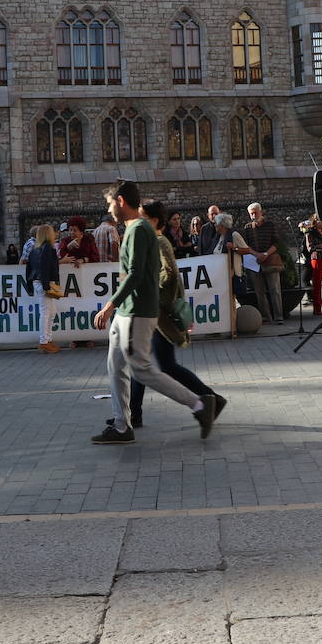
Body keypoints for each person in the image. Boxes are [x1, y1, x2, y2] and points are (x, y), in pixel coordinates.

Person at [90, 180, 217, 445]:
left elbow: (136, 274)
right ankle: (122, 425)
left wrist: (108, 305)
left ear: (121, 201)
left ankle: (200, 405)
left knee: (143, 371)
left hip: (136, 312)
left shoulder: (138, 230)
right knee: (116, 367)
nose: (109, 208)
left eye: (110, 203)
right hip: (129, 311)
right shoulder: (134, 229)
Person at [118, 200, 226, 428]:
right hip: (152, 314)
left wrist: (154, 297)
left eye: (143, 218)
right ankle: (133, 414)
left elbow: (171, 274)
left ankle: (212, 399)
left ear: (155, 221)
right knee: (142, 363)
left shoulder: (158, 242)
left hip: (158, 315)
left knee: (161, 365)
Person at [243, 203, 284, 324]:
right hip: (255, 262)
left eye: (255, 212)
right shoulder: (248, 228)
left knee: (275, 289)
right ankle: (266, 317)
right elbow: (246, 246)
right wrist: (257, 254)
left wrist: (266, 254)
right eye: (251, 213)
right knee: (259, 291)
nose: (253, 215)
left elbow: (277, 243)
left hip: (270, 260)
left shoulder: (270, 225)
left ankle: (278, 316)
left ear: (261, 212)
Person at [25, 224, 61, 353]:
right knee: (46, 313)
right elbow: (44, 267)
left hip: (39, 281)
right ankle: (44, 341)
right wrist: (47, 285)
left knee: (50, 312)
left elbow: (29, 268)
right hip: (44, 282)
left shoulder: (36, 248)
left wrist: (30, 284)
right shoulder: (48, 248)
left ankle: (47, 339)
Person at [210, 213, 252, 304]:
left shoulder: (234, 235)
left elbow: (247, 250)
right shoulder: (217, 237)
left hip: (231, 273)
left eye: (216, 223)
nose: (214, 225)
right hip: (220, 274)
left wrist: (234, 248)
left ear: (222, 225)